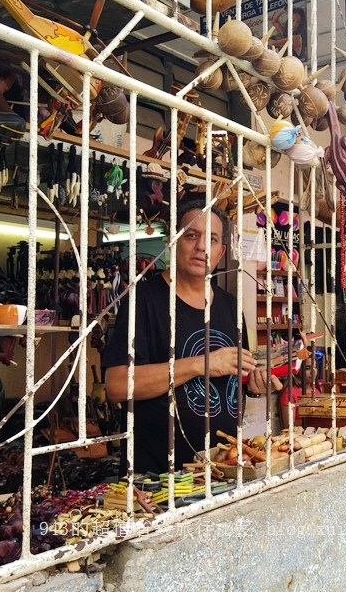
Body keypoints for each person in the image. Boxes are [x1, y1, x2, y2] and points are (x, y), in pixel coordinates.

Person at [102, 199, 270, 474]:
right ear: (173, 242)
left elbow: (232, 382)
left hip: (223, 470)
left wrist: (254, 386)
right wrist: (199, 365)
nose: (202, 246)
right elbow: (117, 385)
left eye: (212, 239)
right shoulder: (144, 300)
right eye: (192, 235)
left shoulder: (229, 306)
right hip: (158, 478)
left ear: (221, 253)